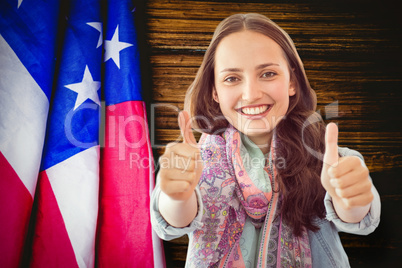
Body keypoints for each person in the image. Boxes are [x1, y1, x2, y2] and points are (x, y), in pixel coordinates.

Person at [151, 13, 380, 268]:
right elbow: (174, 223)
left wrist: (351, 197)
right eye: (232, 78)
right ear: (215, 91)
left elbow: (356, 216)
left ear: (292, 81)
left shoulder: (331, 160)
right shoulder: (191, 161)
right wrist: (177, 197)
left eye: (268, 73)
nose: (251, 94)